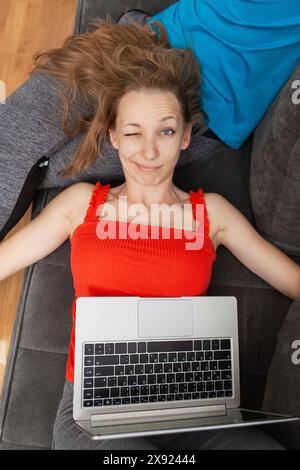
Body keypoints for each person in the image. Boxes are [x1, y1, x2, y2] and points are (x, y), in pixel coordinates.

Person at [0, 18, 298, 450]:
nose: (149, 151)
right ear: (114, 139)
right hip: (95, 412)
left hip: (192, 408)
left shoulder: (211, 213)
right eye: (133, 133)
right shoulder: (82, 203)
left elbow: (292, 280)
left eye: (165, 131)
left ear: (185, 138)